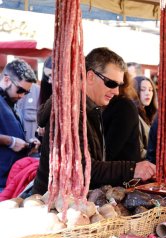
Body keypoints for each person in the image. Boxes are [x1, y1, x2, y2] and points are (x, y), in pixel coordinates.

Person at [32, 47, 156, 195]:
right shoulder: (70, 111)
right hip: (54, 204)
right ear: (90, 76)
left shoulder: (88, 108)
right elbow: (83, 168)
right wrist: (131, 169)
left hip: (66, 201)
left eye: (119, 85)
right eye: (111, 83)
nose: (116, 91)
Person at [0, 59, 38, 191]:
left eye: (26, 92)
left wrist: (28, 145)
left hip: (11, 181)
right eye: (20, 90)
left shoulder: (11, 102)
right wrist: (10, 141)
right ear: (6, 80)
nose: (22, 96)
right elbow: (10, 140)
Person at [103, 72, 141, 162]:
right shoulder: (109, 104)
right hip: (113, 170)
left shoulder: (124, 106)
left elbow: (109, 150)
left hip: (122, 172)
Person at [133, 76, 158, 159]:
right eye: (143, 90)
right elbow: (138, 150)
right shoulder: (134, 115)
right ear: (135, 91)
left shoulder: (150, 115)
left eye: (150, 90)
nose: (148, 93)